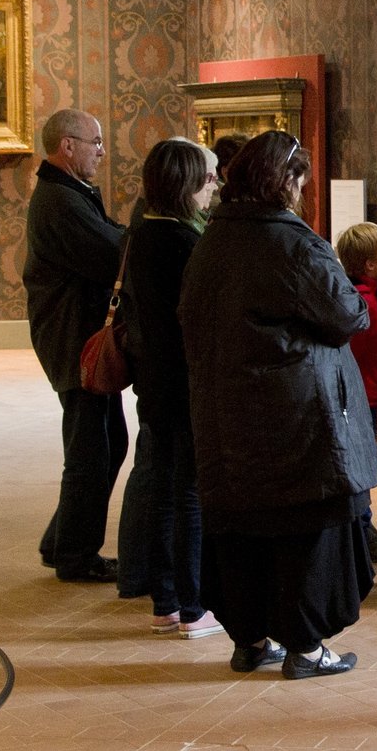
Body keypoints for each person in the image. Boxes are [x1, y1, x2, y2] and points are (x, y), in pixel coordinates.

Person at [181, 130, 377, 678]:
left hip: (224, 410)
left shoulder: (211, 241)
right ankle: (306, 647)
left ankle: (248, 639)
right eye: (299, 182)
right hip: (293, 413)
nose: (301, 193)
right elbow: (348, 315)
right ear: (283, 181)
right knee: (305, 529)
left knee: (241, 527)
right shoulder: (291, 243)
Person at [120, 140, 222, 639]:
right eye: (210, 178)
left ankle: (164, 602)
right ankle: (193, 604)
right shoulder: (185, 241)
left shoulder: (143, 232)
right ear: (189, 184)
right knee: (189, 493)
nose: (215, 186)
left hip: (154, 376)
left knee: (162, 488)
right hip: (185, 378)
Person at [23, 107, 128, 583]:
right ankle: (75, 555)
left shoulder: (68, 191)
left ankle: (61, 540)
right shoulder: (60, 200)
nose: (102, 151)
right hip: (72, 337)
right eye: (96, 142)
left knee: (107, 441)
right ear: (67, 146)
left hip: (76, 333)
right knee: (91, 449)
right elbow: (109, 253)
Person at [336, 220, 377, 564]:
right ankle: (362, 529)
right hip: (363, 396)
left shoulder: (368, 294)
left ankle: (364, 526)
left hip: (370, 393)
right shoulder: (362, 302)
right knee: (360, 463)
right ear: (370, 265)